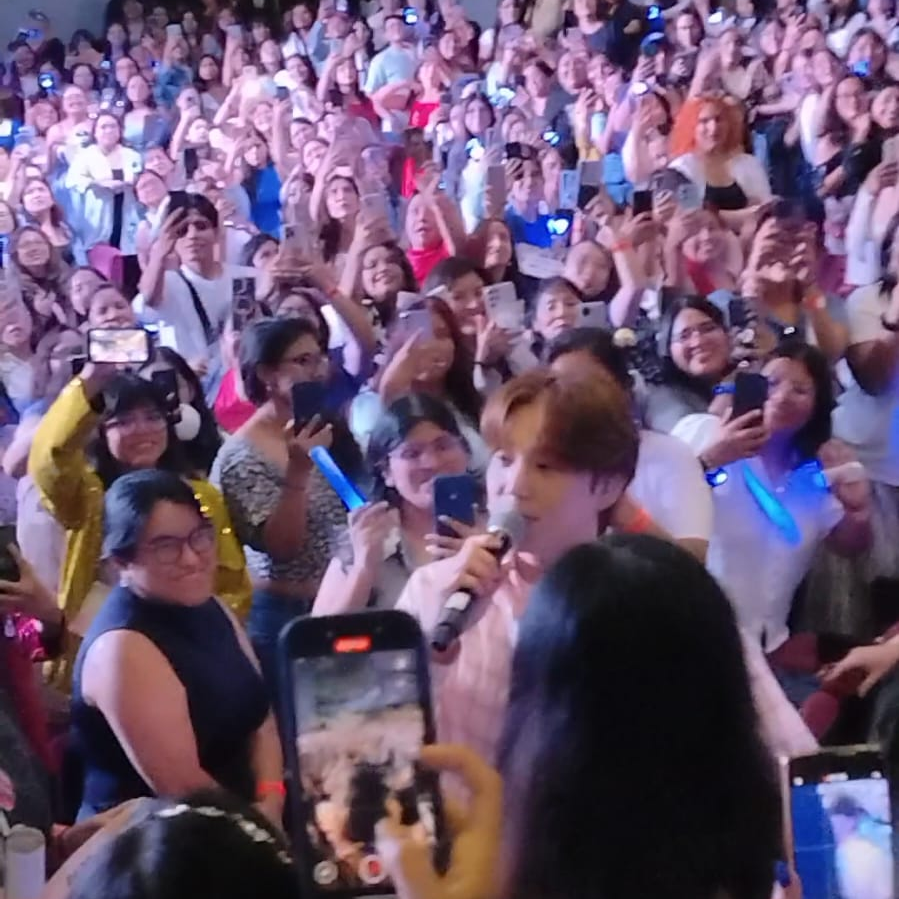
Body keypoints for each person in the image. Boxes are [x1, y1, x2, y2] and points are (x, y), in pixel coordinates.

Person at [395, 369, 639, 761]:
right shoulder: (435, 587)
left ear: (608, 485)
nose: (514, 485)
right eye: (504, 460)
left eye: (545, 467)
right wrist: (434, 647)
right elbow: (385, 738)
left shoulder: (644, 598)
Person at [70, 471, 281, 823]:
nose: (192, 559)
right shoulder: (121, 648)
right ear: (122, 561)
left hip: (247, 814)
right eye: (166, 547)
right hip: (156, 835)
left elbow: (262, 719)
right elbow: (184, 788)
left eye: (199, 537)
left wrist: (273, 797)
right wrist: (264, 826)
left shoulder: (208, 603)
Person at [28, 366, 250, 689]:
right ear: (101, 433)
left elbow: (233, 586)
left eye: (153, 417)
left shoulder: (202, 495)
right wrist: (89, 382)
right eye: (124, 421)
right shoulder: (87, 495)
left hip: (197, 659)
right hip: (106, 659)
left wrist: (201, 639)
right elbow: (49, 463)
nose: (142, 429)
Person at [211, 317, 355, 695]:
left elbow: (350, 504)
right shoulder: (242, 454)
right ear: (267, 375)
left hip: (344, 596)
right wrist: (298, 471)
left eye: (320, 358)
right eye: (303, 361)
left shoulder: (323, 428)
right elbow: (282, 547)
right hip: (287, 613)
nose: (318, 370)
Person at [314, 393, 473, 615]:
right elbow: (320, 632)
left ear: (465, 452)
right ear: (386, 472)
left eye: (443, 446)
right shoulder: (368, 535)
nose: (432, 462)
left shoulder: (498, 524)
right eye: (412, 454)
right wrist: (364, 567)